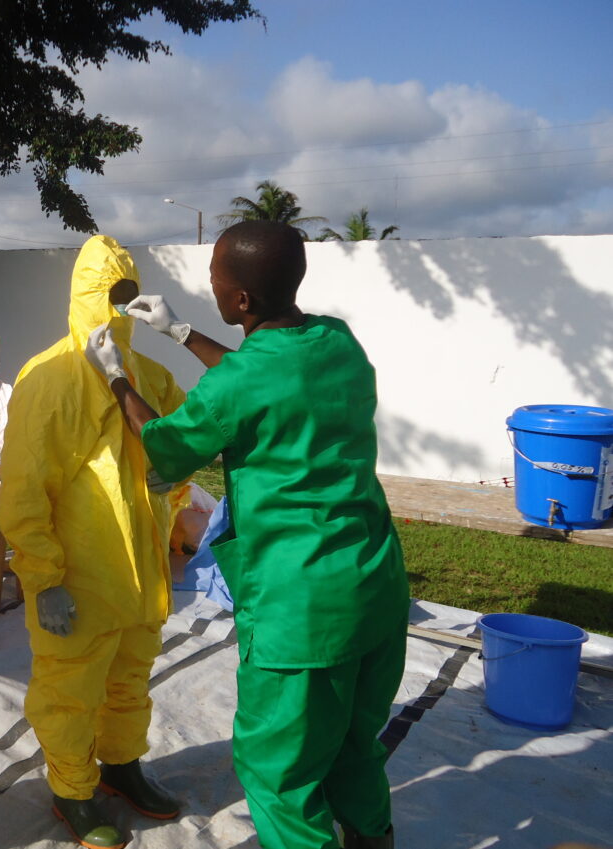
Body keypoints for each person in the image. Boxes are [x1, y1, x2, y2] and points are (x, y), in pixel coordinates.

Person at [84, 221, 410, 849]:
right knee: (351, 745)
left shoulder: (237, 384)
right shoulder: (336, 341)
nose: (210, 286)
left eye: (215, 279)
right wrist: (182, 333)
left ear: (240, 300)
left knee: (277, 772)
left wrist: (117, 379)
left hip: (301, 611)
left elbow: (166, 446)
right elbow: (263, 376)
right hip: (374, 587)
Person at [0, 235, 187, 849]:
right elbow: (25, 490)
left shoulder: (149, 375)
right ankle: (73, 791)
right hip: (79, 577)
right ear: (87, 294)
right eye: (113, 292)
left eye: (130, 292)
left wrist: (177, 478)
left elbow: (186, 441)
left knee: (130, 681)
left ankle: (122, 767)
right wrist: (44, 579)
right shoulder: (50, 378)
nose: (122, 305)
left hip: (141, 575)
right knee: (70, 692)